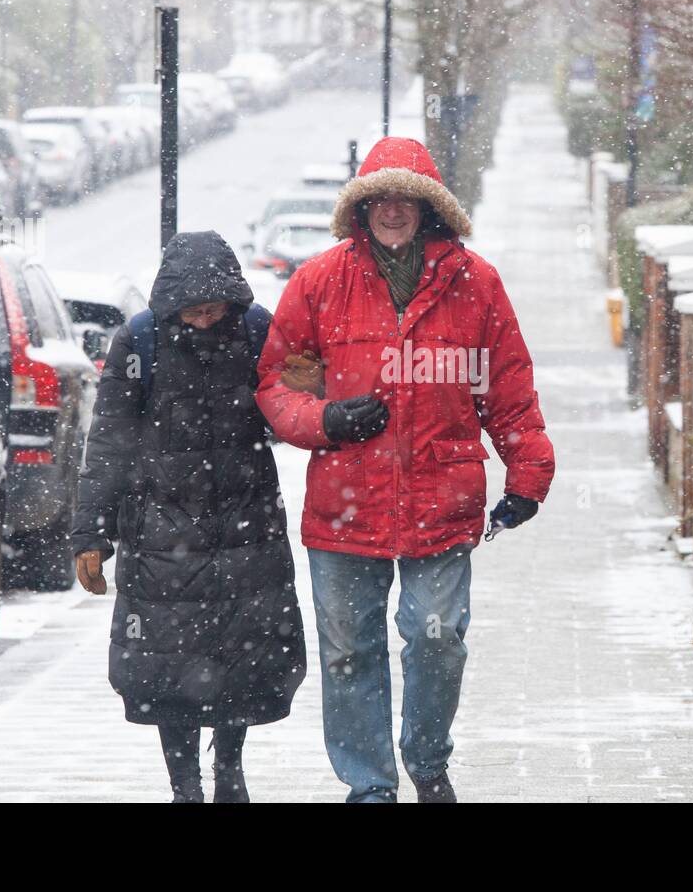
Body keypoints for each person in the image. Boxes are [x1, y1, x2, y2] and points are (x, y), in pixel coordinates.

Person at [255, 137, 556, 802]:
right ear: (361, 209)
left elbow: (506, 387)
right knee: (348, 654)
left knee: (439, 641)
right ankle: (369, 787)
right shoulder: (319, 282)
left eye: (406, 199)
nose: (393, 211)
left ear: (430, 209)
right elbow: (279, 385)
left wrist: (527, 475)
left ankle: (427, 758)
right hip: (343, 508)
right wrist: (327, 421)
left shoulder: (476, 284)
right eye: (379, 199)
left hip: (441, 500)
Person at [71, 230, 307, 803]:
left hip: (246, 528)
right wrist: (92, 534)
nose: (204, 320)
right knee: (165, 667)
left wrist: (312, 390)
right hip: (159, 534)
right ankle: (184, 787)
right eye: (193, 311)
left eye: (214, 309)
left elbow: (288, 412)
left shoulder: (257, 331)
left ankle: (230, 772)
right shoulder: (140, 340)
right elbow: (110, 441)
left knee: (244, 658)